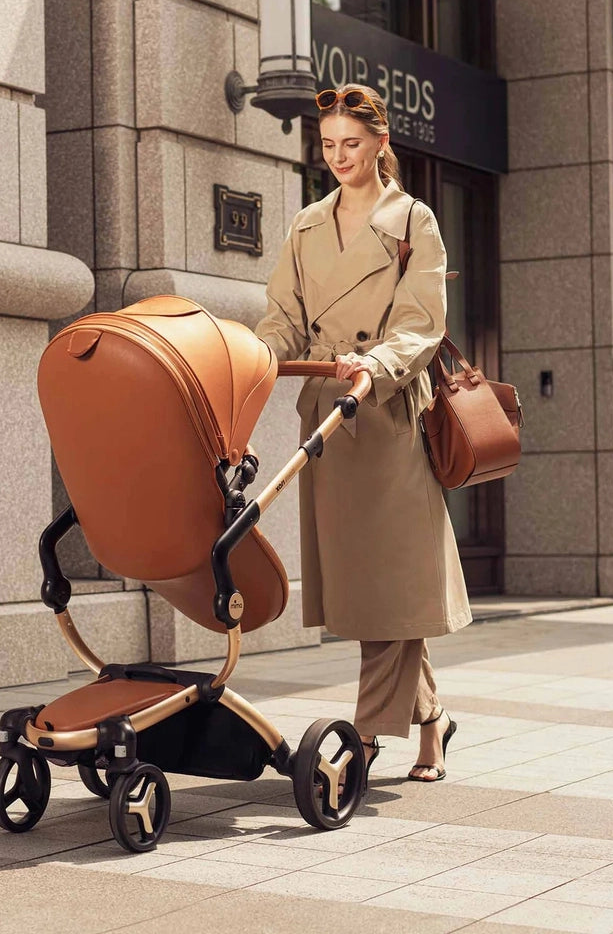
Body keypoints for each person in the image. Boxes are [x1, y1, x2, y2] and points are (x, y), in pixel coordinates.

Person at [254, 83, 471, 784]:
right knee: (383, 589)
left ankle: (367, 739)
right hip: (328, 414)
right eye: (327, 146)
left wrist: (373, 364)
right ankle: (432, 722)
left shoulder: (415, 220)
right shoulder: (307, 226)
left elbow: (421, 322)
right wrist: (254, 357)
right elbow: (283, 314)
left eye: (352, 144)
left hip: (387, 413)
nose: (339, 157)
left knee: (391, 582)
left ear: (381, 143)